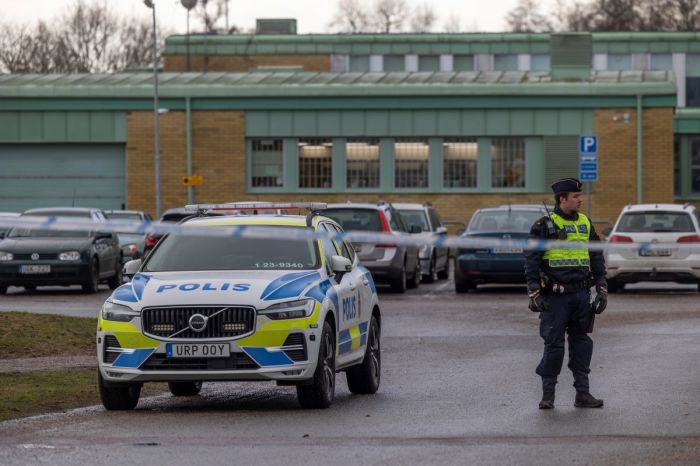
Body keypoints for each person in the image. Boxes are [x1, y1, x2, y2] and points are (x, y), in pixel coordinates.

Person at [524, 178, 608, 410]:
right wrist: (534, 292)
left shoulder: (585, 222)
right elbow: (531, 261)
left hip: (581, 295)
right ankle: (548, 396)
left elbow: (597, 257)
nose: (581, 200)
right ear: (562, 199)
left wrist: (602, 288)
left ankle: (583, 394)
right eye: (575, 196)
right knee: (554, 346)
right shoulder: (543, 225)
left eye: (580, 196)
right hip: (555, 298)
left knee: (581, 345)